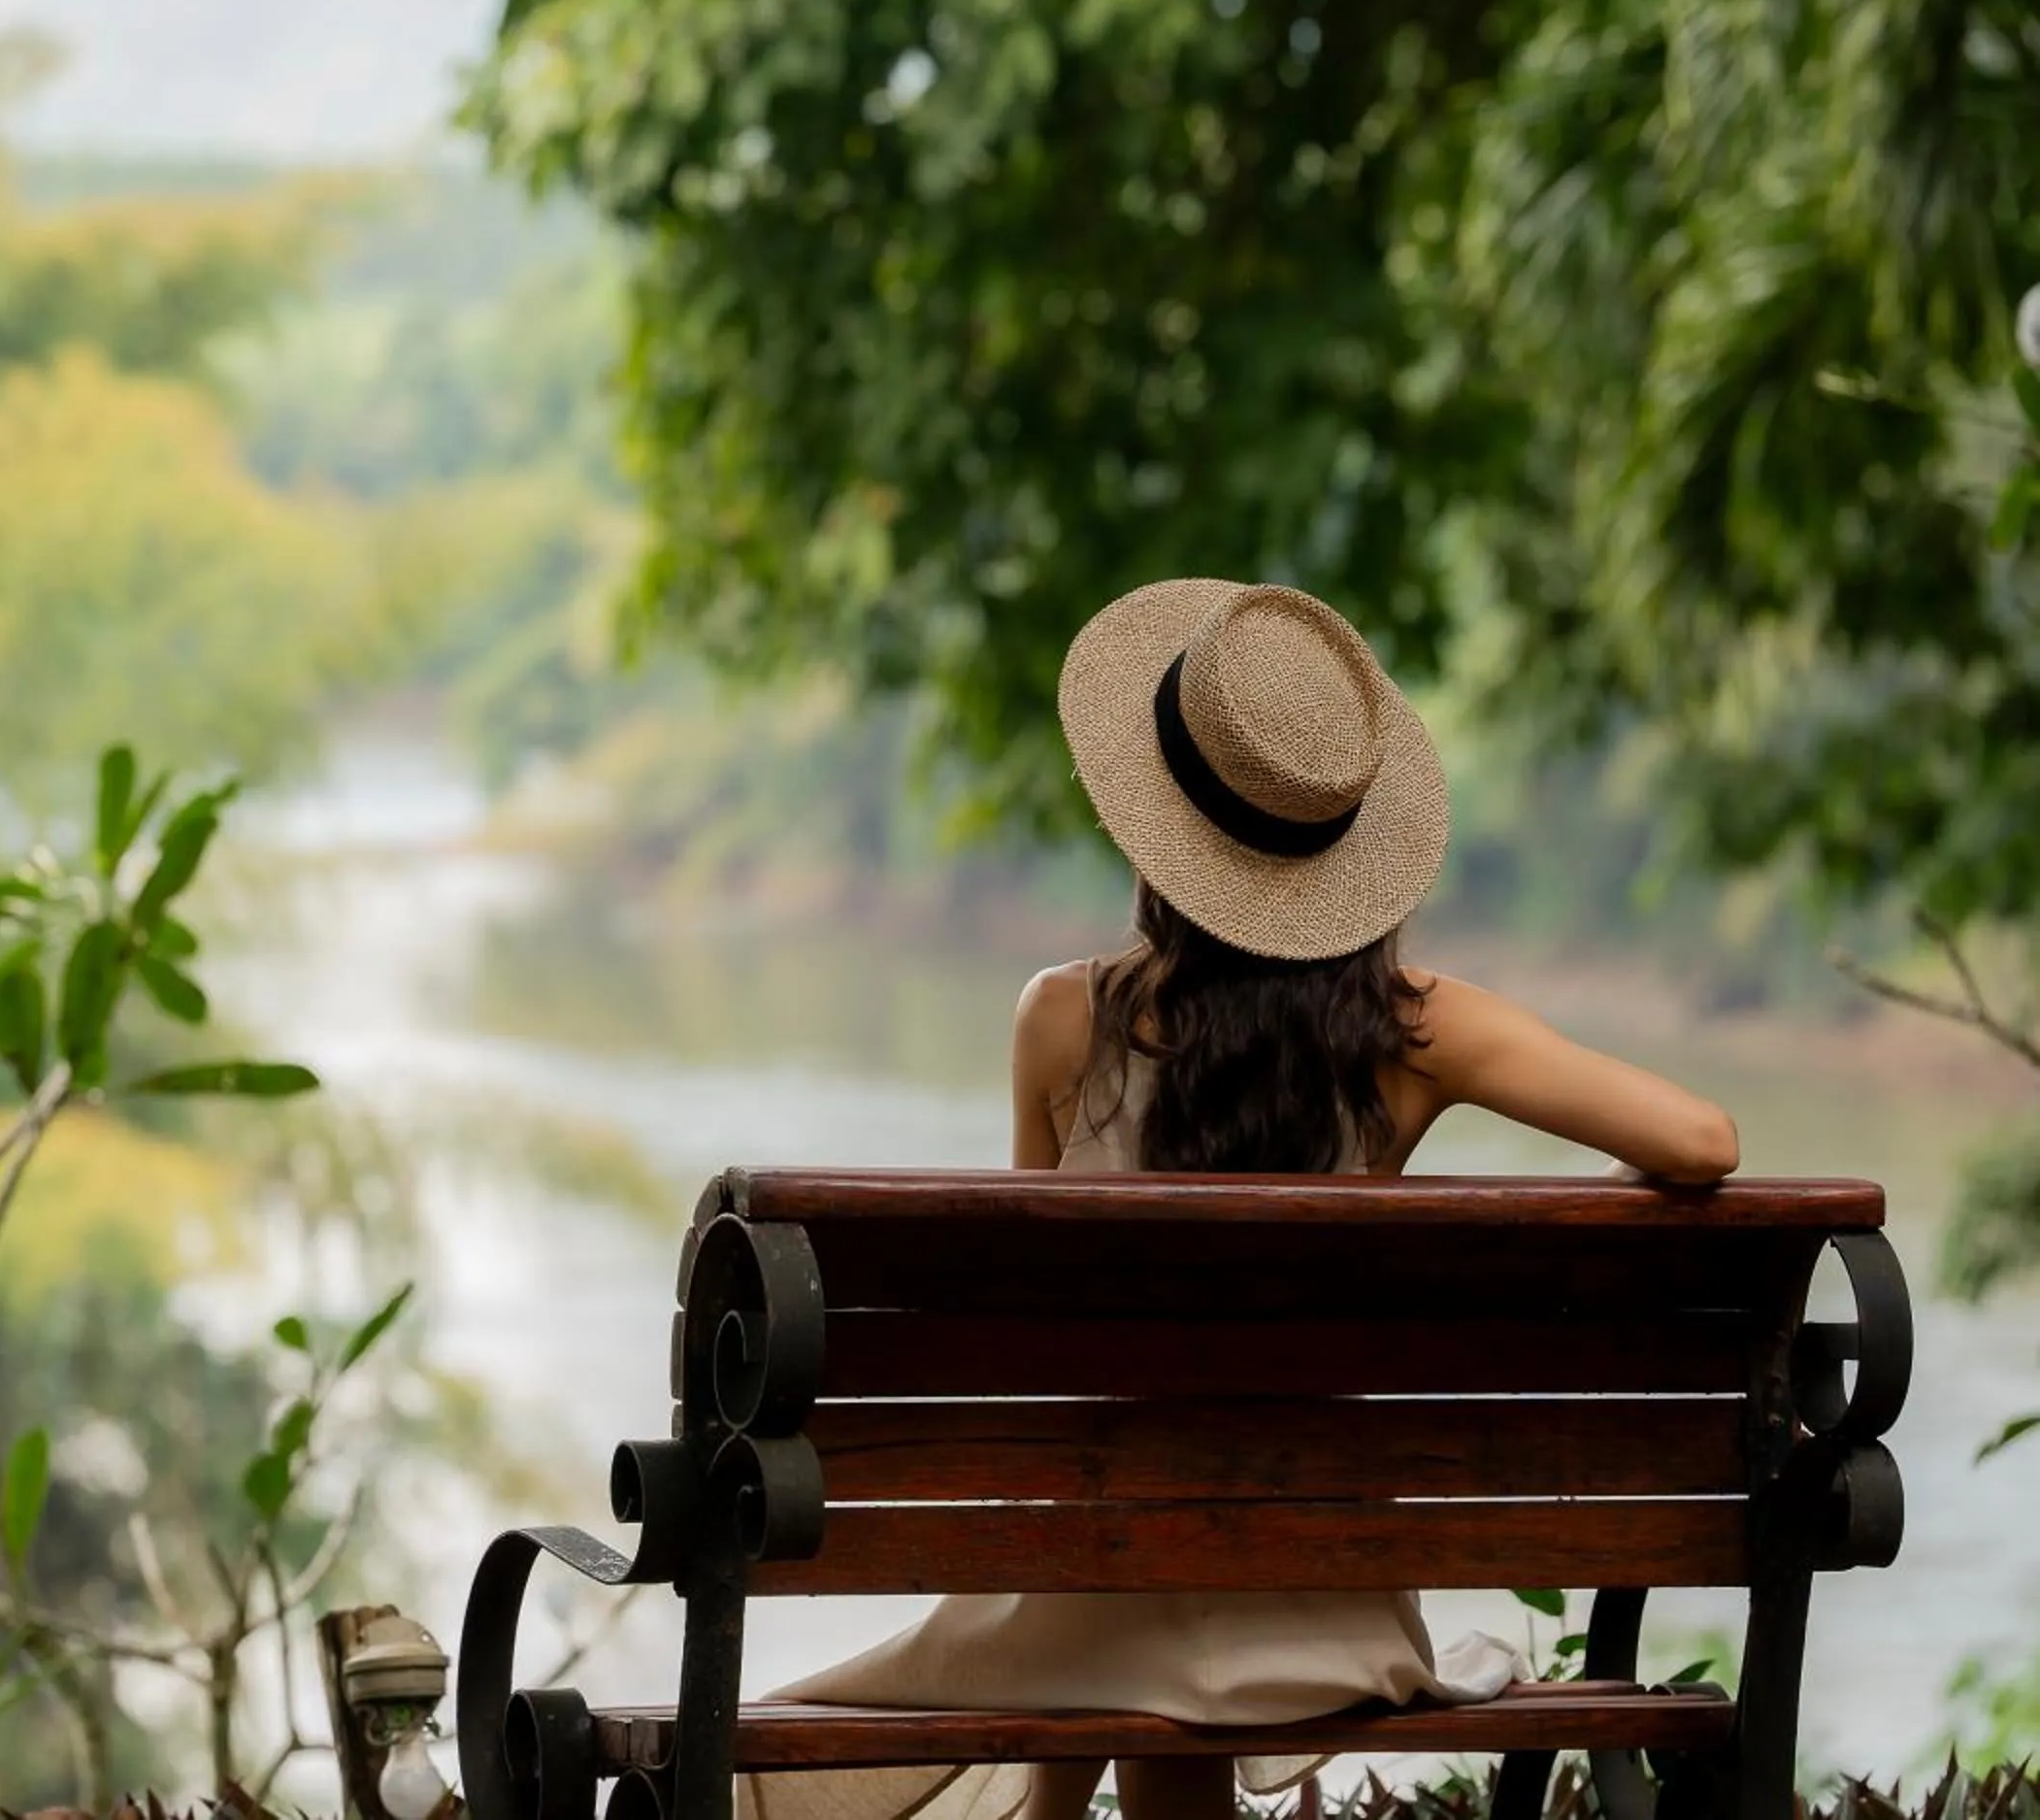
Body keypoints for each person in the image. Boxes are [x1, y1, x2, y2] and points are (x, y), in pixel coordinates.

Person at [741, 579, 1740, 1820]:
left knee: (1124, 1556)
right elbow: (1700, 1141)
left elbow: (1025, 1331)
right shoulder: (1418, 1032)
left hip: (1089, 1571)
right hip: (1320, 1596)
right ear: (1342, 852)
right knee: (1165, 1584)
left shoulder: (1062, 1020)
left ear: (1154, 829)